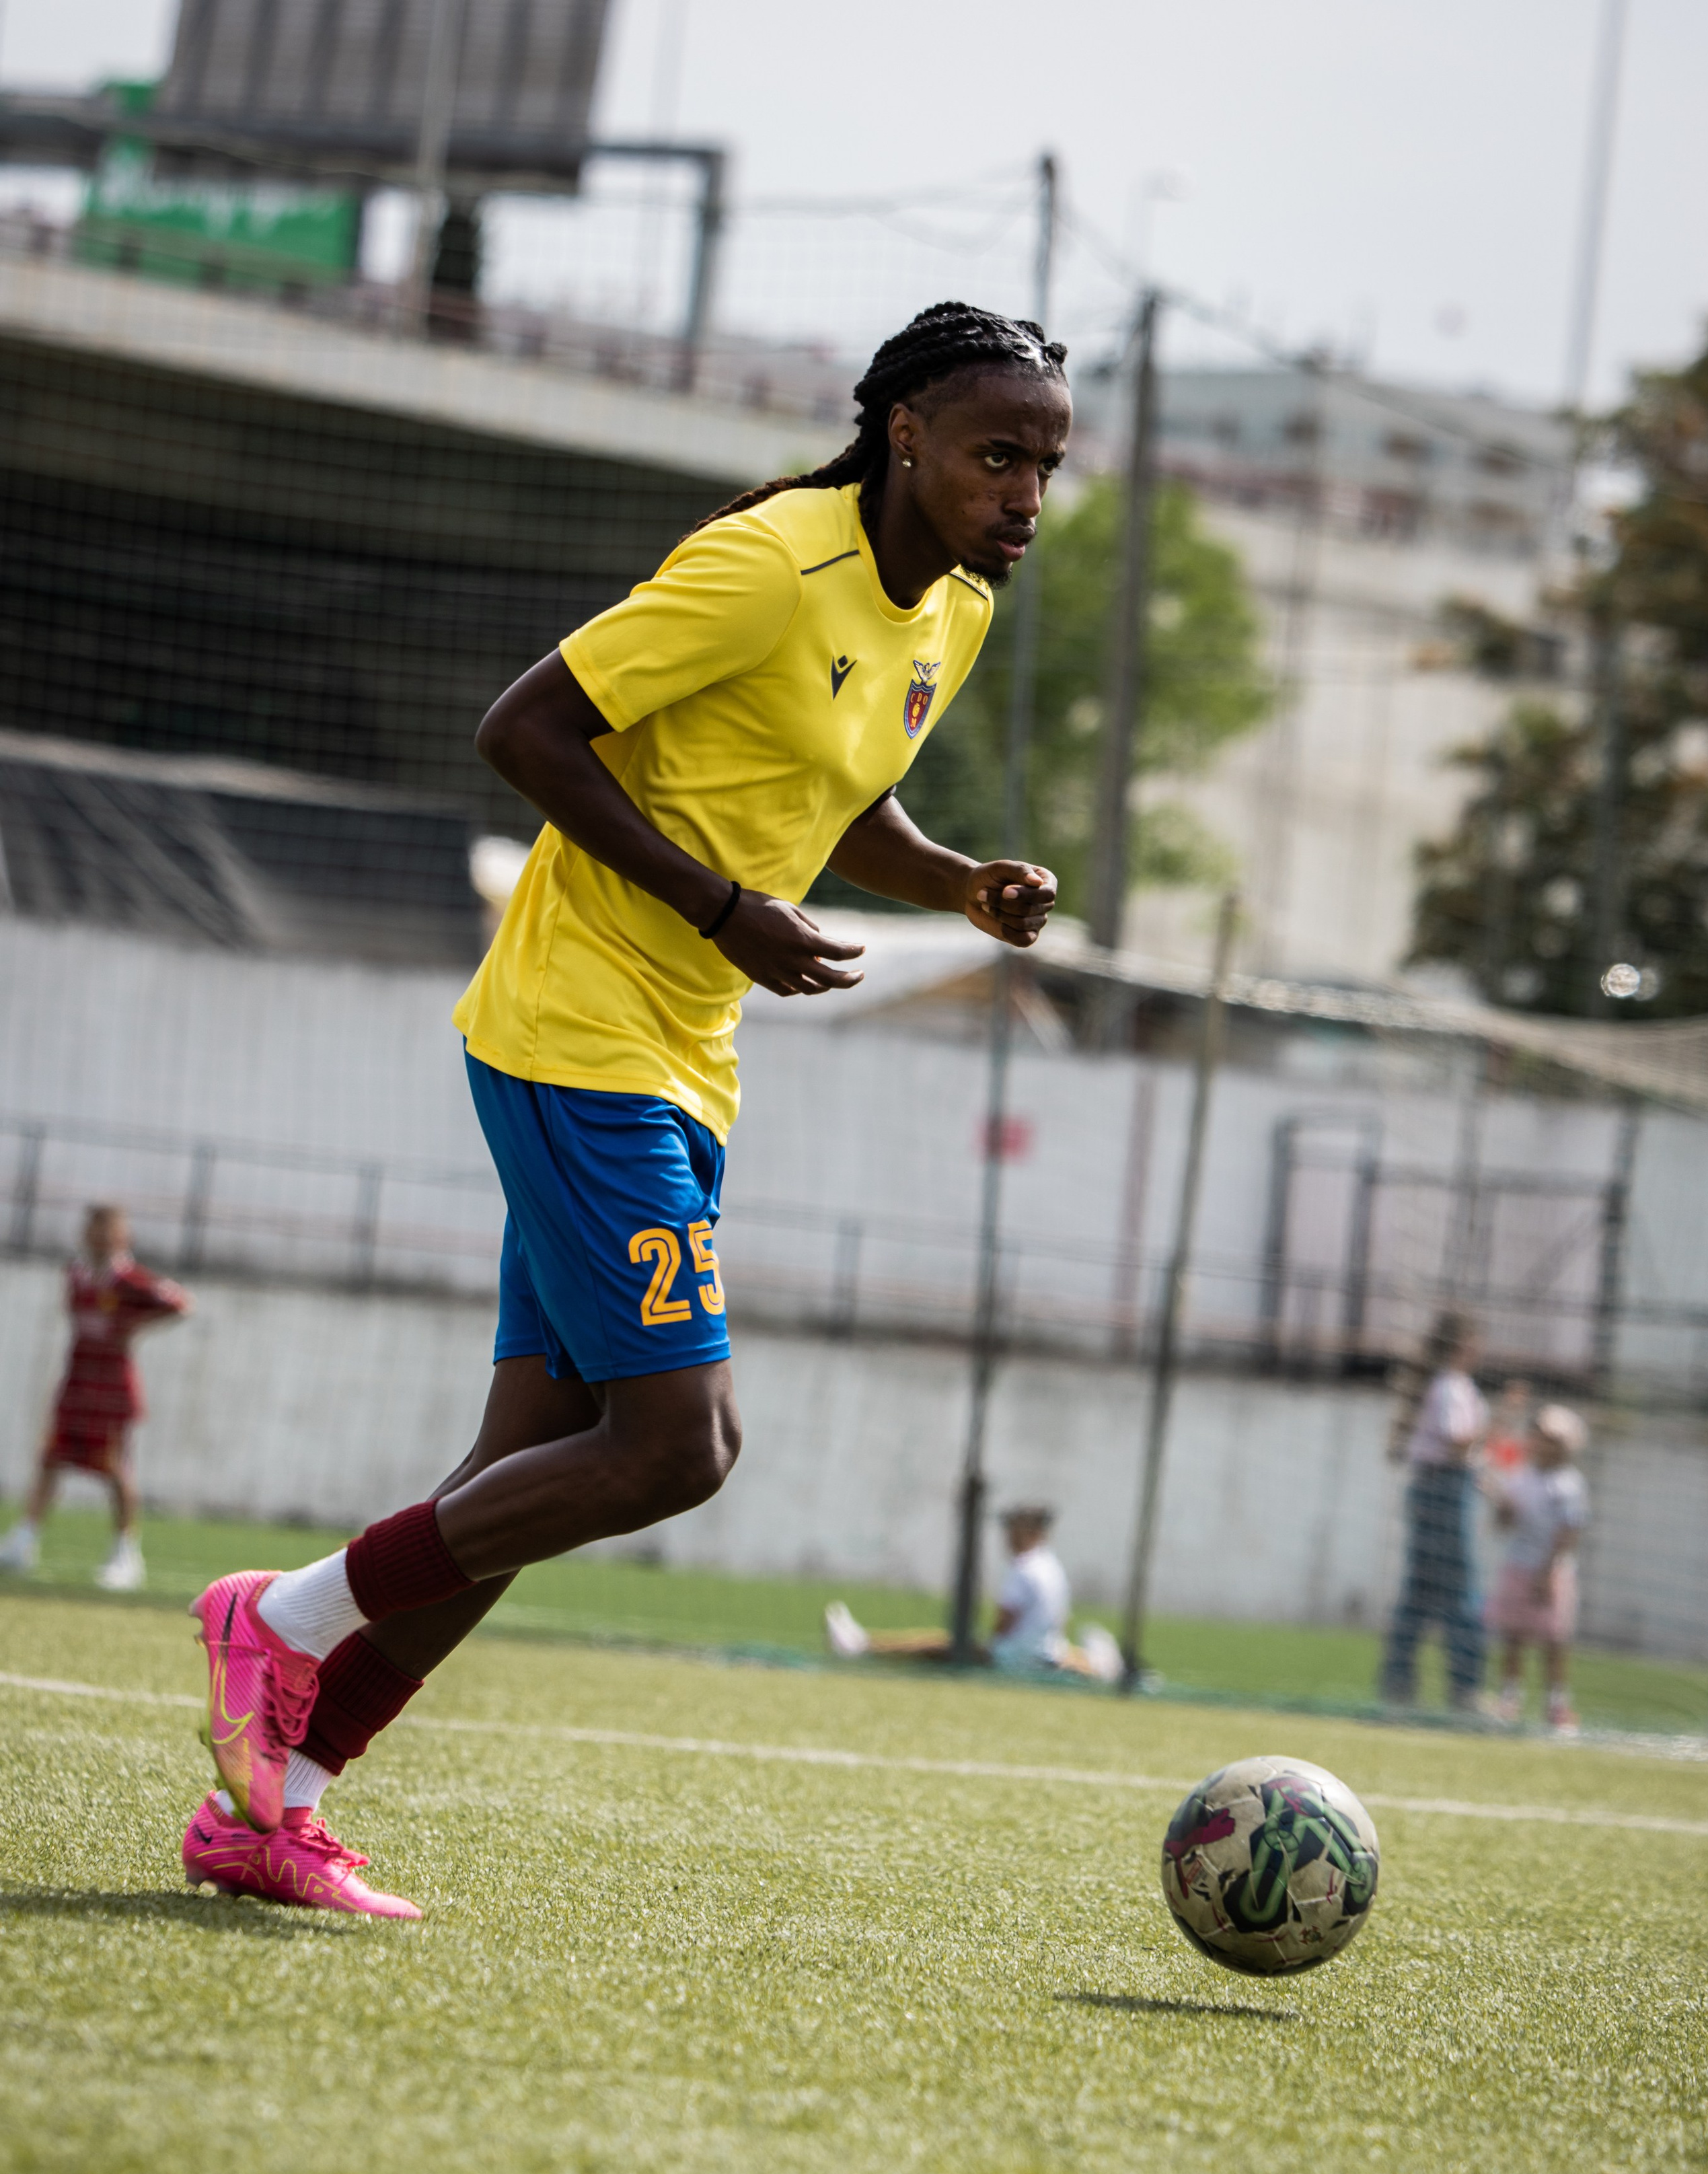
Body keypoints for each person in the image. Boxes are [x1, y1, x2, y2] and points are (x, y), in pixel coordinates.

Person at [178, 301, 1070, 1919]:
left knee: (531, 1465)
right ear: (906, 439)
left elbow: (833, 781)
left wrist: (955, 879)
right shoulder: (761, 565)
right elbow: (523, 730)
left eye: (1046, 466)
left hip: (689, 1048)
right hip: (577, 1032)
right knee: (675, 1445)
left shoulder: (953, 605)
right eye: (997, 454)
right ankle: (285, 1616)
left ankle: (275, 1809)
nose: (1022, 493)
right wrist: (723, 905)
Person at [0, 1204, 192, 1591]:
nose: (100, 1238)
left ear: (123, 1237)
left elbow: (180, 1303)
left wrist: (133, 1325)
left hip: (113, 1388)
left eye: (108, 1230)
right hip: (77, 1381)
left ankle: (126, 1554)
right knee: (51, 1459)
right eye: (94, 1229)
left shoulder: (131, 1281)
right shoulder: (76, 1275)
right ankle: (23, 1540)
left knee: (115, 1467)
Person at [823, 1506, 1123, 1680]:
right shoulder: (1051, 1566)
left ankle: (862, 1645)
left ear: (1031, 1534)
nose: (1008, 1537)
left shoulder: (1024, 1568)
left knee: (939, 1643)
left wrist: (990, 1647)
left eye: (1015, 1530)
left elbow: (1006, 1619)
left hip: (1015, 1656)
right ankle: (1100, 1666)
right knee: (1057, 1658)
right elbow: (1060, 1620)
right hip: (1039, 1651)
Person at [1378, 1308, 1488, 1711]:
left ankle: (1398, 1685)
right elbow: (1459, 1443)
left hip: (1435, 1490)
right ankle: (1466, 1689)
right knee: (1460, 1595)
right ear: (1462, 1344)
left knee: (1420, 1595)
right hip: (1443, 1492)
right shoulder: (1451, 1386)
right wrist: (1504, 1421)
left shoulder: (1444, 1385)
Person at [1483, 1403, 1589, 1737]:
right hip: (1519, 1564)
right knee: (1513, 1635)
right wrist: (1502, 1505)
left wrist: (1547, 1572)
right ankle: (1509, 1701)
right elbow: (1504, 1524)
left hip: (1551, 1570)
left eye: (1552, 1439)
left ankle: (1557, 1707)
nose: (1543, 1444)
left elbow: (1568, 1532)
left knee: (1553, 1641)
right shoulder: (1521, 1476)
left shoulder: (1569, 1484)